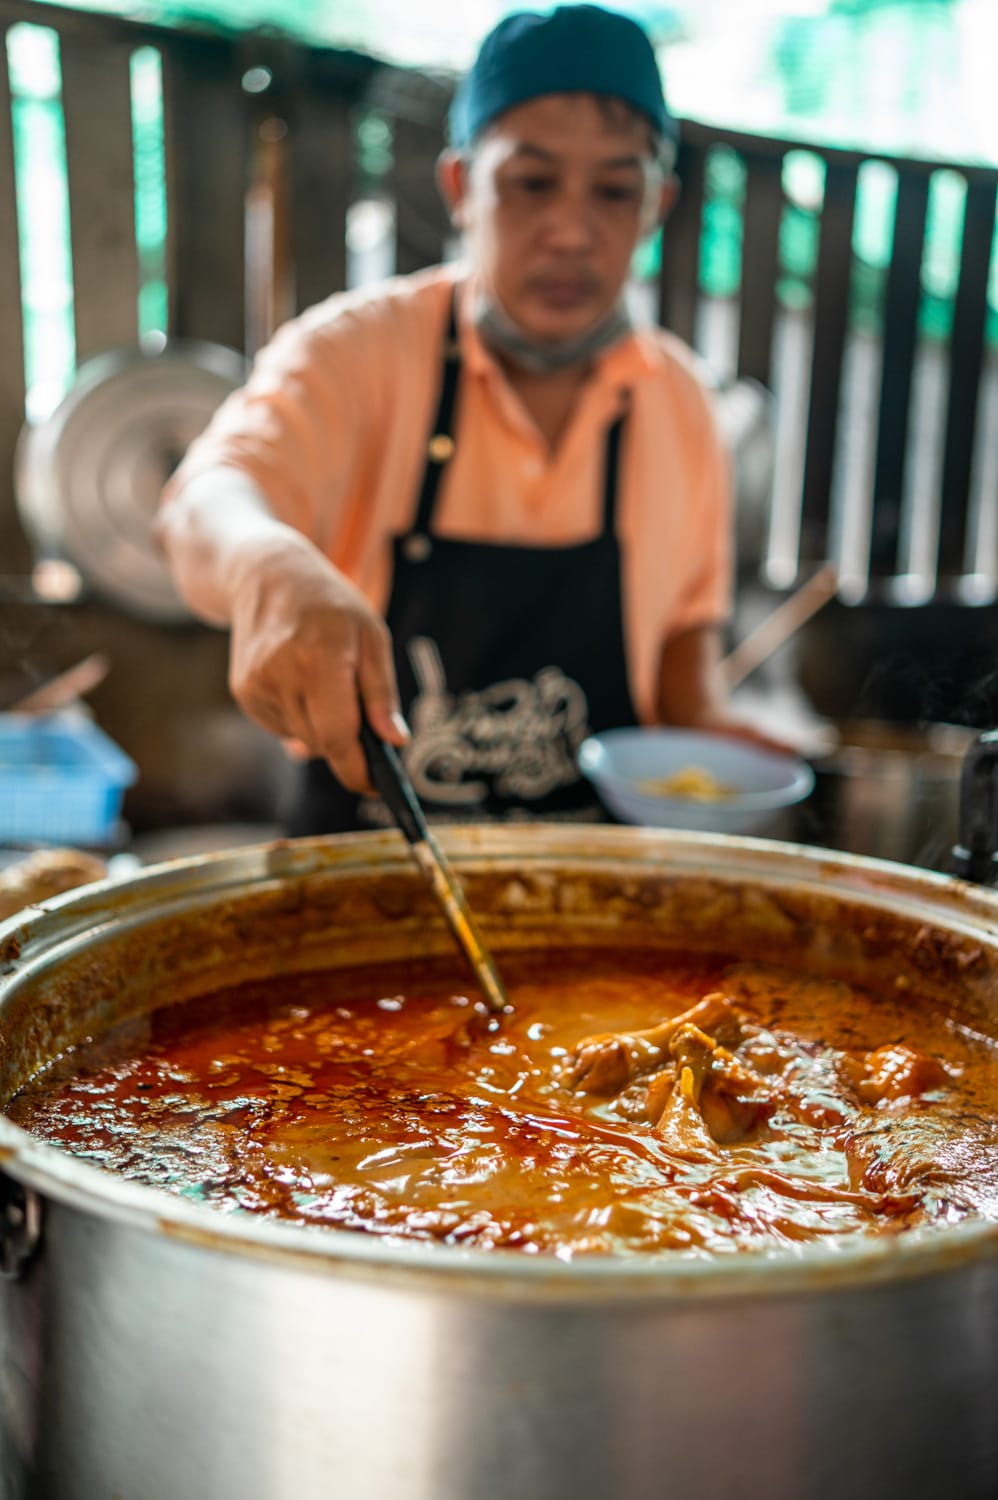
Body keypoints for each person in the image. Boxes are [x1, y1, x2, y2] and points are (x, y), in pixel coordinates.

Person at [158, 3, 771, 835]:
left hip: (593, 888)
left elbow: (682, 675)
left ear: (657, 204)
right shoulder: (358, 352)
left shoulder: (681, 404)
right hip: (370, 867)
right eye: (531, 183)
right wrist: (266, 560)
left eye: (615, 191)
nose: (571, 233)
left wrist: (734, 755)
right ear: (460, 188)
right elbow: (208, 495)